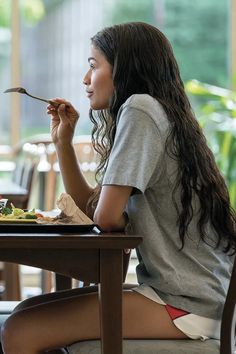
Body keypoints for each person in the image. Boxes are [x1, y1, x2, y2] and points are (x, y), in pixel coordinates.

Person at [1, 22, 236, 354]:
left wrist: (105, 211)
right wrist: (63, 144)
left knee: (21, 330)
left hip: (190, 302)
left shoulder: (140, 109)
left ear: (124, 67)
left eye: (94, 65)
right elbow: (97, 212)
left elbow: (107, 218)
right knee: (25, 313)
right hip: (193, 294)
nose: (85, 79)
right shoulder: (154, 110)